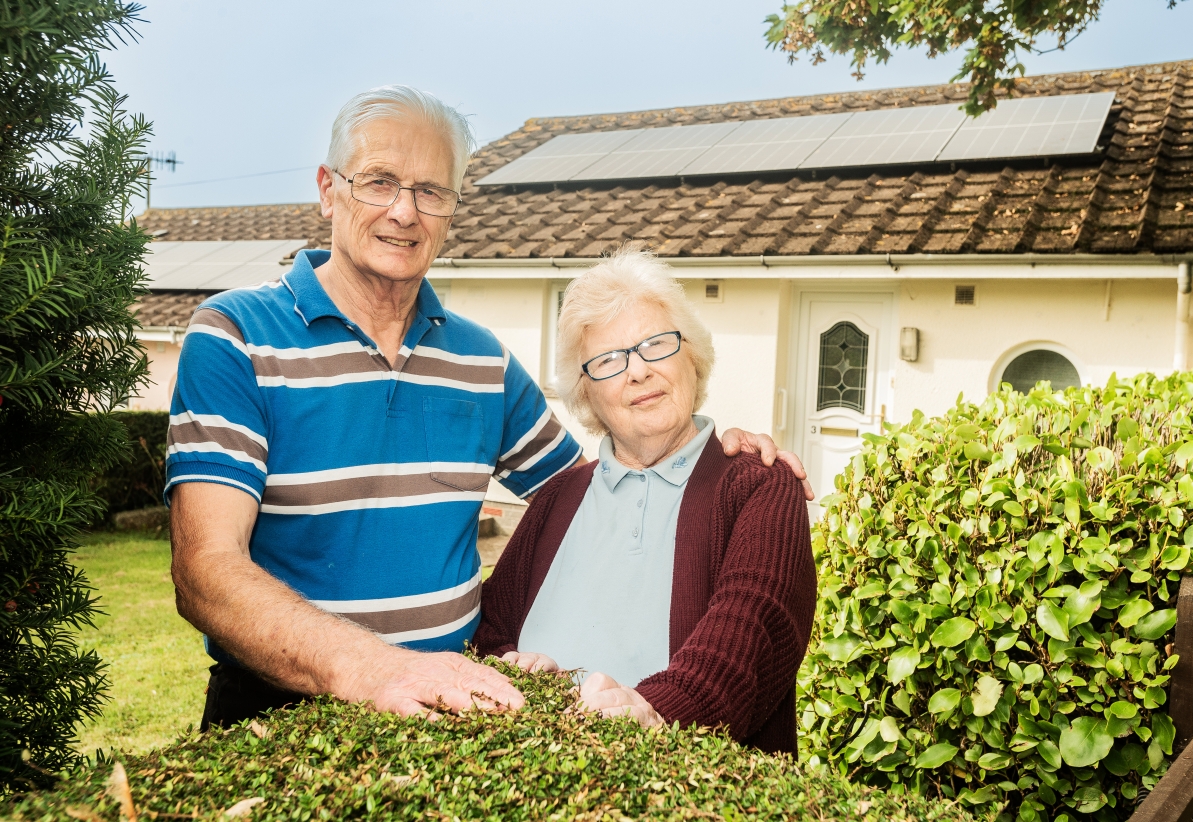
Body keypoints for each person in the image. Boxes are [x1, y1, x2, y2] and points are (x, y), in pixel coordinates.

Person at [166, 85, 812, 730]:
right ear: (328, 189)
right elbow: (205, 571)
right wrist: (381, 670)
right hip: (281, 712)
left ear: (451, 208)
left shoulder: (483, 363)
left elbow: (599, 487)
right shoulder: (235, 335)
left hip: (454, 718)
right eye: (379, 181)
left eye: (431, 190)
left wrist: (735, 457)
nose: (404, 210)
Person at [473, 249, 816, 756]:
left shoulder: (759, 487)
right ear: (587, 393)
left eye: (656, 344)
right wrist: (518, 671)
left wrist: (650, 712)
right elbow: (488, 633)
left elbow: (747, 643)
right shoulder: (556, 498)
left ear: (692, 356)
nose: (637, 372)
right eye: (609, 360)